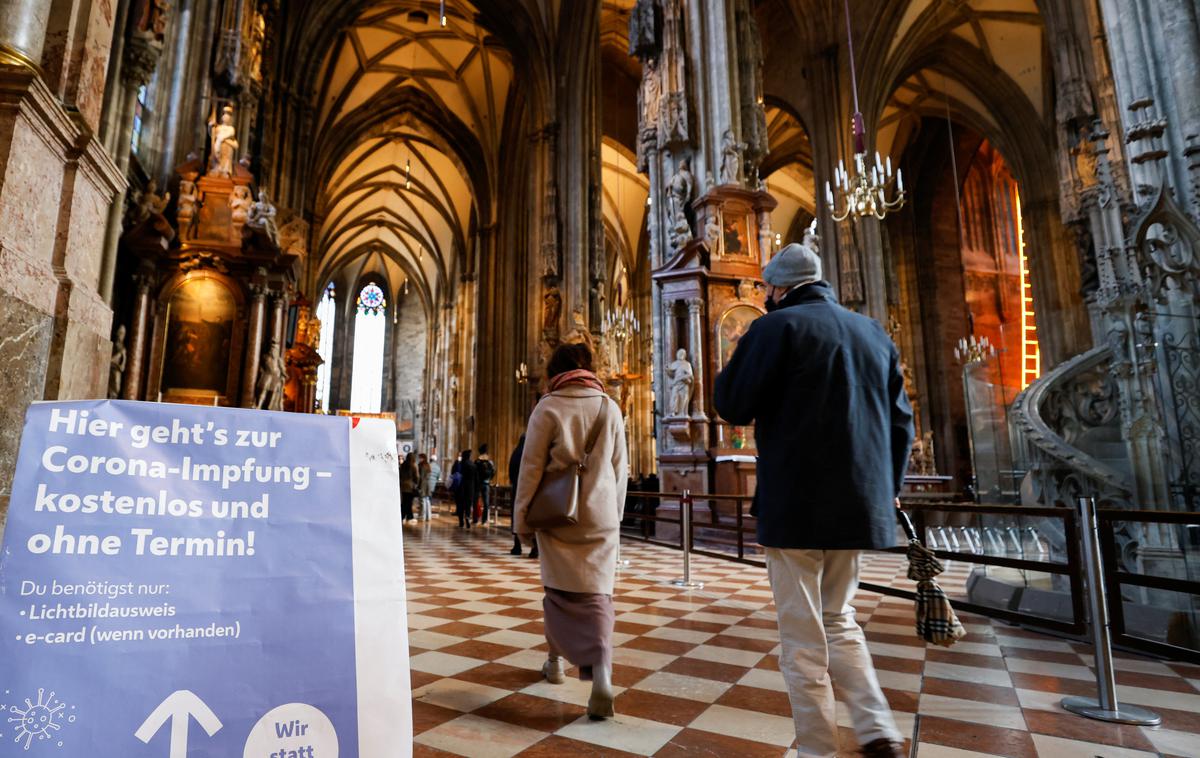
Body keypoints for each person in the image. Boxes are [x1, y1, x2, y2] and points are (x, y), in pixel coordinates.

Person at [713, 240, 914, 758]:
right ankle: (878, 730)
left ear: (777, 288)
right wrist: (886, 488)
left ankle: (818, 751)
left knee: (802, 637)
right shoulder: (872, 331)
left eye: (768, 288)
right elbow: (900, 422)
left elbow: (732, 403)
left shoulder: (774, 326)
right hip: (857, 505)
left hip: (796, 504)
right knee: (839, 620)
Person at [513, 342, 628, 721]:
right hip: (601, 516)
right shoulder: (610, 407)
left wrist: (522, 520)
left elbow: (530, 468)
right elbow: (620, 469)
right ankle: (603, 674)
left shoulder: (547, 406)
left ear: (554, 370)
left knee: (558, 594)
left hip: (558, 514)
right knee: (598, 597)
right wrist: (616, 515)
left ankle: (555, 663)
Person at [508, 434, 527, 555]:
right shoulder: (528, 452)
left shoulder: (515, 453)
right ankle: (535, 548)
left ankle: (517, 545)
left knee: (517, 516)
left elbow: (510, 472)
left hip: (516, 488)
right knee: (530, 515)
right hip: (527, 488)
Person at [452, 449, 477, 528]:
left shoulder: (459, 464)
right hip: (470, 488)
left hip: (460, 487)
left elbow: (453, 474)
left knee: (460, 505)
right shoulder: (473, 465)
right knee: (468, 504)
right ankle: (467, 517)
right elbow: (476, 478)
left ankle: (461, 521)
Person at [475, 443, 496, 525]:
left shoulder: (477, 461)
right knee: (486, 503)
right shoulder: (489, 462)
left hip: (478, 483)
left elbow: (475, 472)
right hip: (486, 483)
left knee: (475, 501)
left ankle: (475, 519)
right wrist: (489, 479)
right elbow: (494, 471)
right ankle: (484, 520)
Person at [399, 452, 419, 522]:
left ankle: (404, 516)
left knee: (404, 502)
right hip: (410, 487)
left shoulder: (403, 465)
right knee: (409, 502)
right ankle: (408, 516)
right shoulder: (413, 466)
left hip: (403, 486)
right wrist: (416, 483)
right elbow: (416, 477)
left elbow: (400, 475)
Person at [418, 454, 437, 521]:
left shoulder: (421, 465)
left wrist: (419, 486)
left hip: (423, 485)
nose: (419, 459)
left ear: (422, 458)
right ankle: (428, 516)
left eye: (420, 458)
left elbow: (421, 477)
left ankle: (422, 516)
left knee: (422, 501)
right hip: (428, 485)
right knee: (427, 500)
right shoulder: (427, 465)